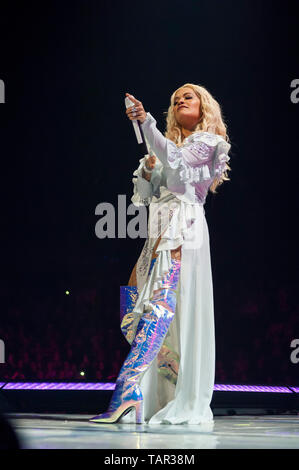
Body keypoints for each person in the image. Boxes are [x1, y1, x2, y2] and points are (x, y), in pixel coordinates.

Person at [90, 83, 231, 425]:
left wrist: (147, 123)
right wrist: (149, 170)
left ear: (204, 107)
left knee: (160, 306)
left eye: (189, 96)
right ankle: (165, 376)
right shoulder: (163, 148)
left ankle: (127, 391)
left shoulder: (209, 144)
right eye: (176, 98)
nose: (181, 100)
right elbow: (144, 195)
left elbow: (178, 161)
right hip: (156, 231)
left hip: (184, 226)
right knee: (132, 305)